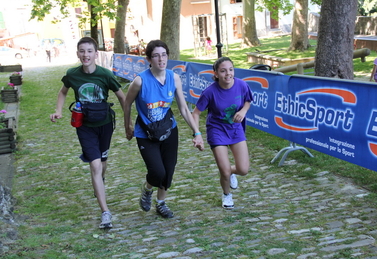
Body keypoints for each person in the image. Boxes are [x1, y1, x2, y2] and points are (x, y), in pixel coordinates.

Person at [50, 36, 126, 229]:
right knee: (95, 165)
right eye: (82, 51)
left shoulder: (106, 75)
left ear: (96, 54)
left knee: (103, 162)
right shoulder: (72, 74)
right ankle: (105, 212)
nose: (86, 55)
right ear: (78, 54)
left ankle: (99, 181)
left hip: (105, 124)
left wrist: (129, 122)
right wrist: (58, 111)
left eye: (89, 51)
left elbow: (122, 97)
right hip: (84, 126)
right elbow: (63, 92)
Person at [124, 39, 204, 218]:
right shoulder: (140, 81)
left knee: (168, 171)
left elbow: (184, 108)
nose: (161, 59)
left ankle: (161, 203)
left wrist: (197, 132)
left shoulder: (173, 78)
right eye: (156, 56)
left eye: (164, 55)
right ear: (149, 60)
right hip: (145, 132)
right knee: (157, 171)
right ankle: (147, 188)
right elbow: (127, 103)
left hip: (168, 129)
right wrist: (127, 126)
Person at [192, 57, 253, 210]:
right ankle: (226, 195)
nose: (228, 74)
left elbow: (248, 100)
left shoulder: (242, 85)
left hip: (235, 129)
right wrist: (197, 134)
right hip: (216, 130)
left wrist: (244, 111)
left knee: (243, 170)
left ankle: (230, 172)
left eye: (231, 70)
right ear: (216, 74)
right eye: (223, 71)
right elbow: (196, 113)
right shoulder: (210, 92)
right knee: (224, 170)